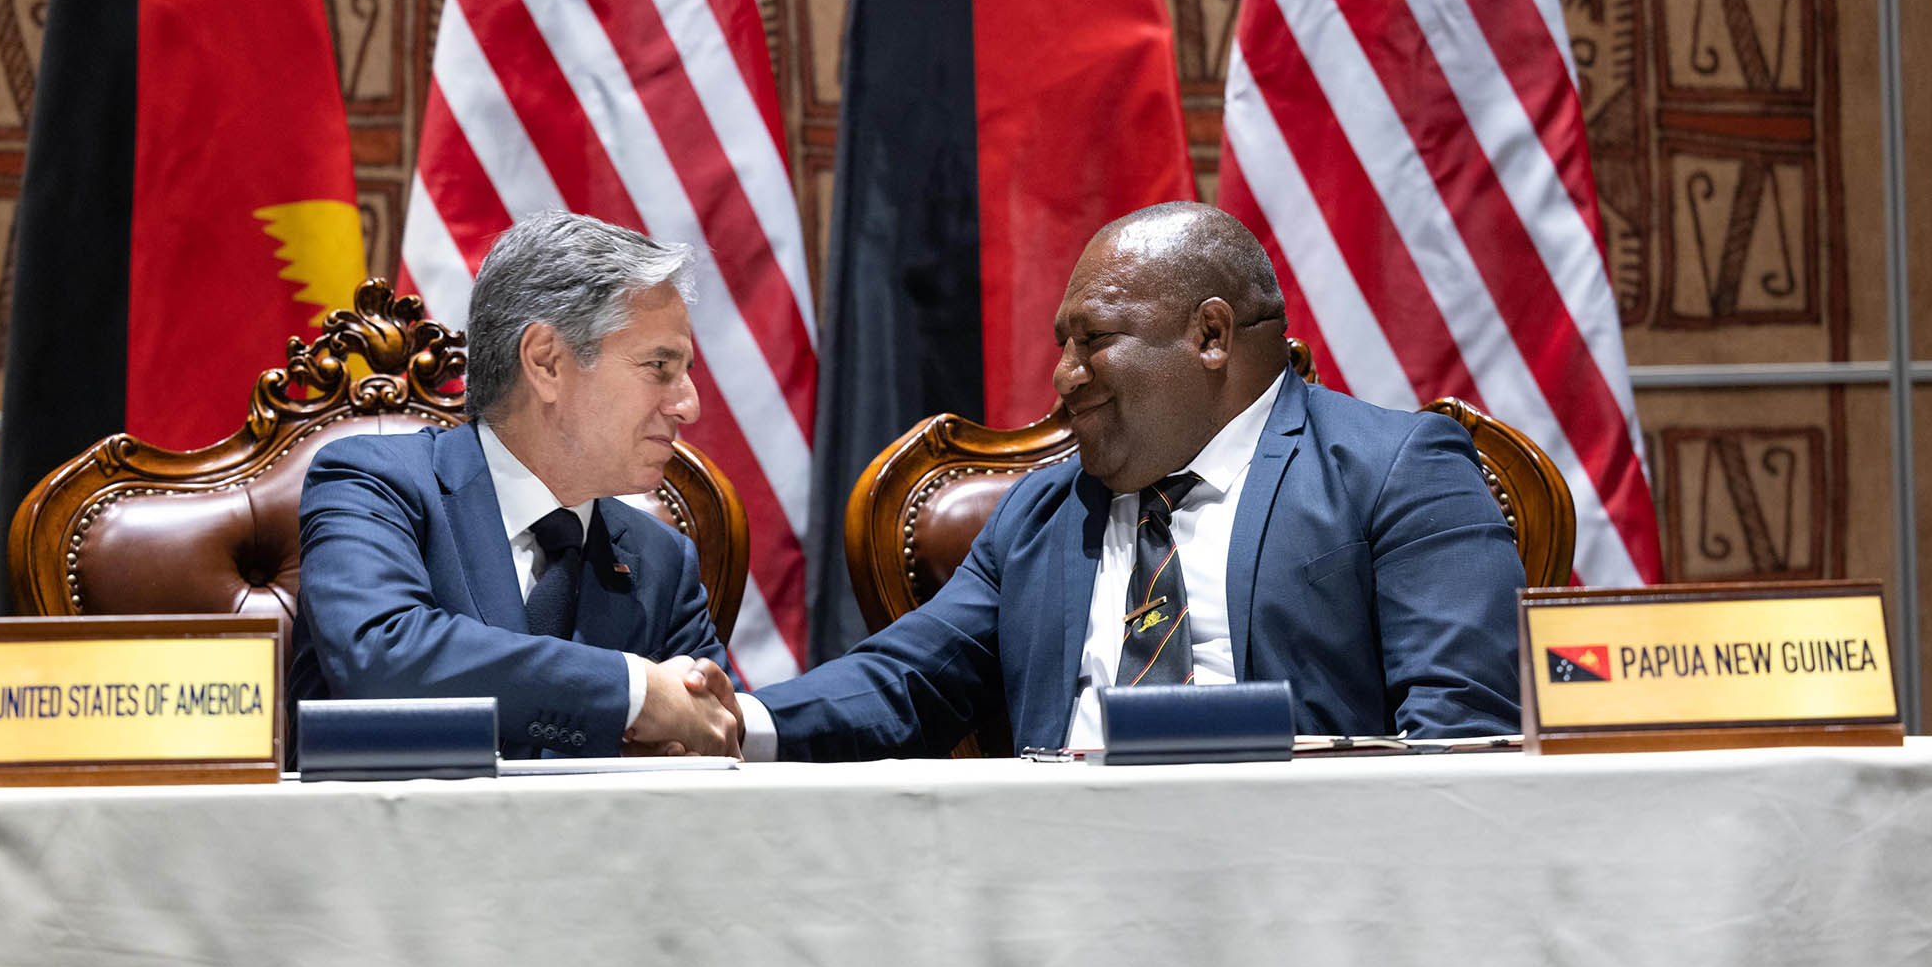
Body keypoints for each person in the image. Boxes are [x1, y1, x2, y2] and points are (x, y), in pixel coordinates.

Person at [732, 202, 1524, 759]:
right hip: (1059, 892)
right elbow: (906, 682)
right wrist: (734, 723)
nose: (1064, 376)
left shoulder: (1395, 473)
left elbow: (1463, 734)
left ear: (1210, 335)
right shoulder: (1042, 512)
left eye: (1094, 340)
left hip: (1304, 891)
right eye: (1061, 344)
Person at [289, 212, 742, 758]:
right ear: (546, 362)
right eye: (660, 366)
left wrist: (691, 746)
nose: (688, 405)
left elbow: (715, 728)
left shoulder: (662, 561)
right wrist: (633, 693)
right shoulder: (375, 482)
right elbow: (381, 658)